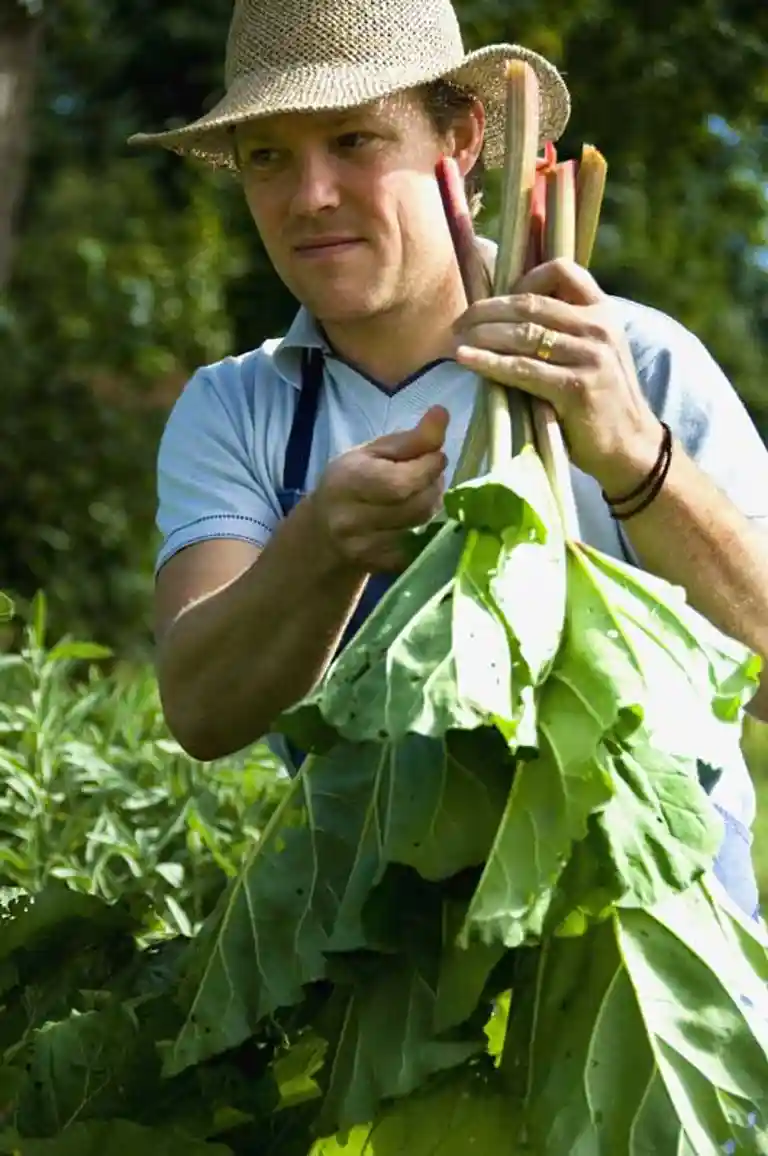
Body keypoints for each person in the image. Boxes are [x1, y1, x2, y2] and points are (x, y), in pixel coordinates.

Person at [130, 0, 768, 922]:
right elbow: (201, 710)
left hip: (652, 971)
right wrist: (321, 547)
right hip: (387, 976)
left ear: (461, 140)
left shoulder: (635, 362)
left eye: (353, 140)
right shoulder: (238, 408)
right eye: (268, 156)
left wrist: (638, 460)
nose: (309, 196)